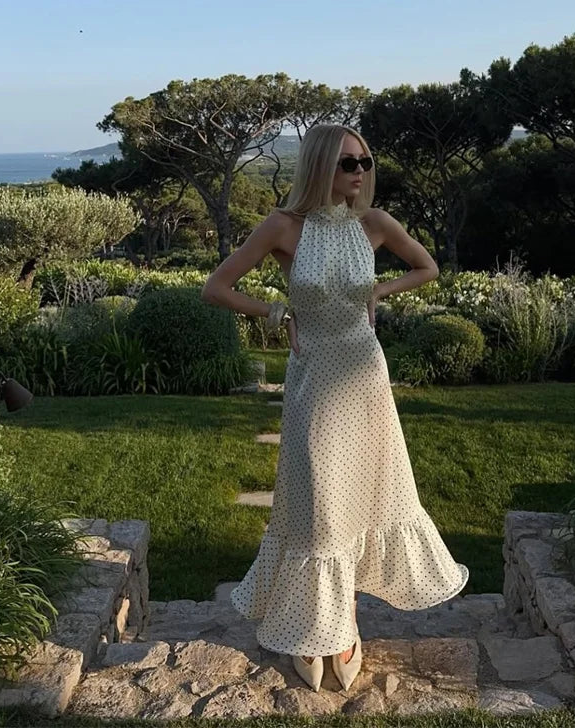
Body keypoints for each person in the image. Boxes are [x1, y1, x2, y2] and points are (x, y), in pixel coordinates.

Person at [200, 124, 469, 693]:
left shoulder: (374, 224)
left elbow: (426, 267)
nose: (360, 172)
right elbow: (216, 287)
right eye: (349, 162)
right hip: (315, 378)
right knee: (320, 501)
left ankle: (343, 620)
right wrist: (276, 313)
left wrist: (378, 292)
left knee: (361, 497)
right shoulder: (283, 226)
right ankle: (316, 623)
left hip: (365, 375)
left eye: (365, 162)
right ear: (321, 164)